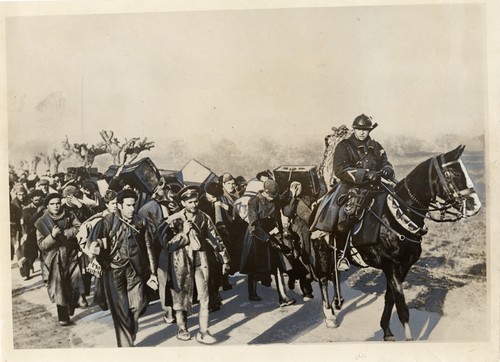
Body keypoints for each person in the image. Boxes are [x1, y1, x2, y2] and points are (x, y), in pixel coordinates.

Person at [311, 114, 395, 270]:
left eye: (366, 130)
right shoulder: (344, 146)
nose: (362, 132)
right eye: (359, 129)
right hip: (351, 186)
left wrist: (386, 170)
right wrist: (364, 174)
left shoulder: (376, 146)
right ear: (354, 129)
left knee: (394, 204)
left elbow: (386, 162)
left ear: (370, 130)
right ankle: (342, 255)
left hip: (375, 186)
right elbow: (340, 170)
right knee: (345, 216)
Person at [158, 185, 230, 344]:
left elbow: (215, 238)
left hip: (201, 260)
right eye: (190, 202)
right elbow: (168, 245)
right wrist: (183, 233)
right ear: (183, 203)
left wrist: (224, 259)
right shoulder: (173, 220)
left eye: (195, 201)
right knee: (181, 296)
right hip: (181, 262)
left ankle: (203, 331)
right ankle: (182, 328)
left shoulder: (204, 218)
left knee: (204, 296)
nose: (194, 205)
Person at [88, 189, 158, 347]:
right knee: (120, 309)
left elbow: (149, 248)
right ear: (119, 205)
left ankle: (131, 330)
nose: (132, 209)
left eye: (133, 205)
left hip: (136, 270)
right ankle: (126, 346)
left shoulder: (141, 222)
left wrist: (152, 273)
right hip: (114, 271)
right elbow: (93, 241)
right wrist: (95, 248)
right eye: (128, 205)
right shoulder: (106, 222)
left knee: (138, 304)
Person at [240, 179, 301, 307]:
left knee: (277, 265)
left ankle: (283, 297)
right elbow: (254, 224)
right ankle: (252, 292)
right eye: (271, 196)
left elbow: (283, 200)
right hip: (257, 237)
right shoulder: (254, 202)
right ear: (265, 191)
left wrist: (291, 192)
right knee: (254, 267)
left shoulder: (275, 198)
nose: (273, 199)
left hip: (273, 235)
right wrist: (266, 238)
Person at [35, 193, 86, 326]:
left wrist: (66, 233)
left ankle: (72, 304)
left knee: (75, 284)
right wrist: (52, 236)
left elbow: (79, 227)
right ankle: (63, 317)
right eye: (52, 204)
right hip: (54, 259)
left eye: (58, 203)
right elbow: (41, 245)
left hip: (71, 255)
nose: (56, 206)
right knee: (59, 289)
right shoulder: (42, 222)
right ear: (47, 206)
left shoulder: (69, 215)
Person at [138, 180, 179, 324]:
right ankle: (169, 312)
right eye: (165, 188)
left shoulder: (169, 205)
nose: (169, 191)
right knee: (164, 281)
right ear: (157, 190)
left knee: (173, 279)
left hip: (172, 247)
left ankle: (174, 310)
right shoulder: (148, 208)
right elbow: (149, 234)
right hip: (160, 249)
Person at [20, 190, 45, 280]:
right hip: (32, 234)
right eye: (36, 198)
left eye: (40, 197)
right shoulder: (26, 209)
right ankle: (26, 272)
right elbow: (29, 223)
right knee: (30, 255)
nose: (38, 199)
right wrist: (38, 212)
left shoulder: (45, 206)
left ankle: (45, 274)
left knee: (44, 253)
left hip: (43, 233)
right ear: (32, 199)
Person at [10, 184, 28, 262]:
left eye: (23, 195)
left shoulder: (28, 201)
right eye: (19, 195)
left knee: (26, 246)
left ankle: (28, 264)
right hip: (16, 228)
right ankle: (23, 267)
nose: (21, 197)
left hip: (26, 227)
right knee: (18, 248)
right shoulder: (13, 203)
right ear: (16, 194)